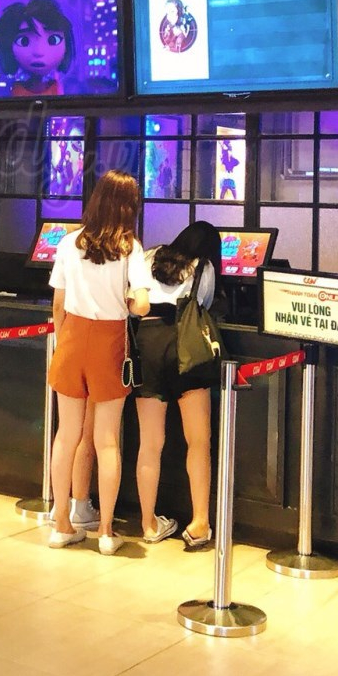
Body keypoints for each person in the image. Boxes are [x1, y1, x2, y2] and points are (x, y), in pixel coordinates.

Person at [47, 170, 150, 554]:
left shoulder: (69, 242)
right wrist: (126, 301)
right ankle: (106, 531)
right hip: (110, 343)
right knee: (107, 441)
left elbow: (58, 303)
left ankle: (61, 523)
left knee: (66, 435)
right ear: (129, 206)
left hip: (72, 339)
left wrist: (63, 341)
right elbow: (142, 304)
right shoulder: (130, 248)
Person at [133, 221, 223, 551]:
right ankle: (199, 523)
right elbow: (204, 306)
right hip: (186, 346)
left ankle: (148, 524)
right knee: (198, 441)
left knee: (149, 443)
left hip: (148, 343)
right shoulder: (205, 268)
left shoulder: (150, 256)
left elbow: (135, 301)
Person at [0, 0, 74, 97]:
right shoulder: (17, 89)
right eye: (24, 41)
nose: (39, 52)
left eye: (53, 40)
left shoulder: (56, 87)